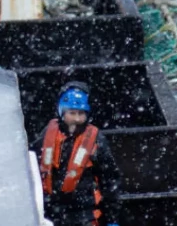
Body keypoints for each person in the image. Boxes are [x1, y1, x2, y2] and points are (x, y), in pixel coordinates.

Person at [36, 81, 122, 226]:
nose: (76, 119)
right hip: (51, 211)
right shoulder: (47, 134)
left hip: (84, 212)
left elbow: (110, 179)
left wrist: (112, 218)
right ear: (62, 112)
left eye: (81, 113)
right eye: (72, 113)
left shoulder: (96, 140)